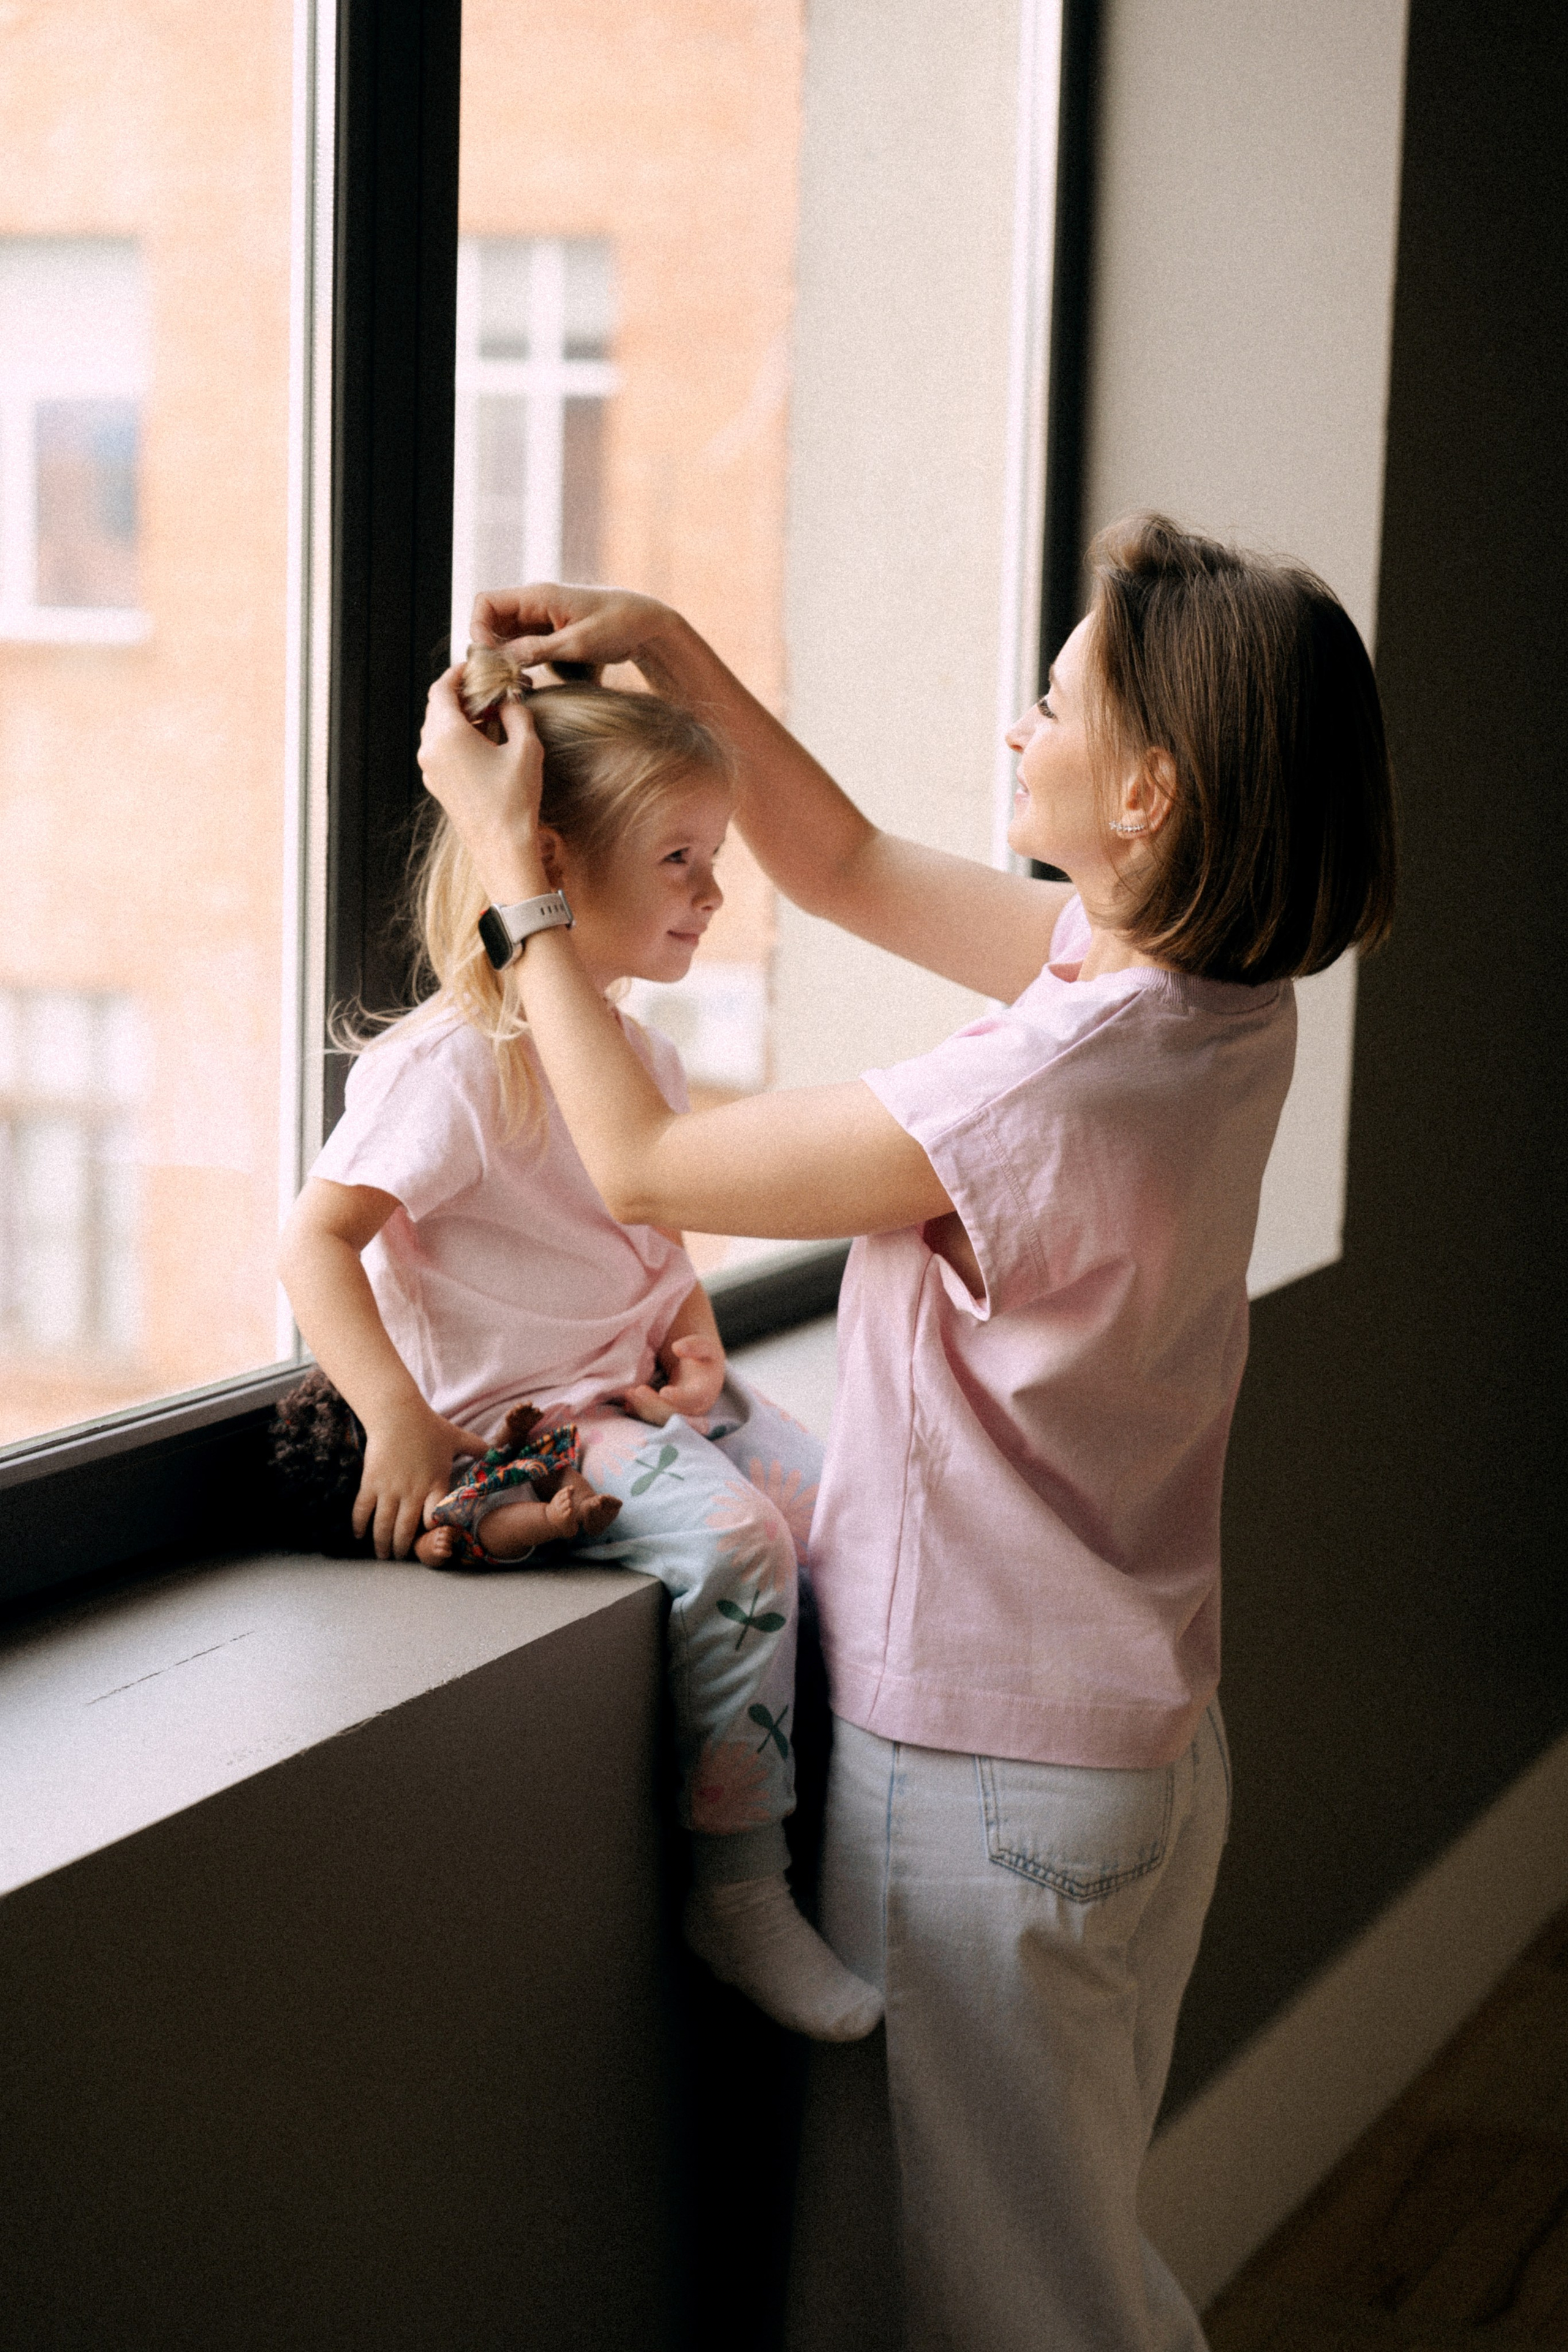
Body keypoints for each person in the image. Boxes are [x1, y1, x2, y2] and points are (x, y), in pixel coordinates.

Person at [415, 513, 1398, 2352]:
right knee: (958, 2269)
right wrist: (678, 648)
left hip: (994, 1784)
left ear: (1153, 798)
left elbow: (643, 1167)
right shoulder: (1195, 993)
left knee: (1029, 2307)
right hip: (1120, 1755)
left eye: (1052, 706)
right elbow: (848, 861)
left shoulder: (1056, 1074)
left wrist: (517, 873)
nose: (1016, 731)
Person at [277, 666, 884, 2045]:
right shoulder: (448, 1072)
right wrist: (396, 1421)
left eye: (714, 861)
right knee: (736, 1548)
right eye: (680, 859)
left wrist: (692, 1334)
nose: (713, 895)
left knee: (841, 1506)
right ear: (549, 860)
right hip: (525, 1414)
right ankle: (737, 1890)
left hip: (638, 1390)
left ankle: (843, 1826)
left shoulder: (637, 1063)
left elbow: (654, 1240)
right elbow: (315, 1243)